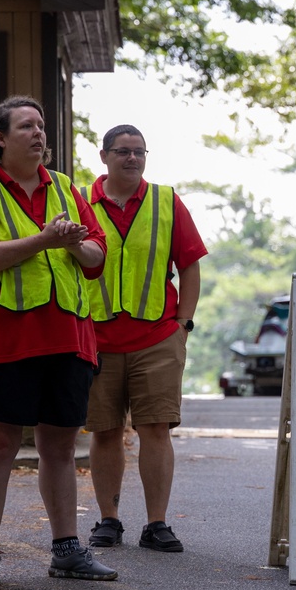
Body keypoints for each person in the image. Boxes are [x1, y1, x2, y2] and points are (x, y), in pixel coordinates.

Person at [0, 95, 117, 586]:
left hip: (67, 339)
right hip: (1, 341)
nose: (39, 133)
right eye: (26, 126)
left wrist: (73, 242)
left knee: (61, 448)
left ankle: (67, 550)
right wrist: (44, 240)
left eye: (42, 125)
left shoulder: (67, 189)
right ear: (1, 138)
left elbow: (96, 256)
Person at [81, 124, 207, 553]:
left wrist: (183, 324)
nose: (132, 159)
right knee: (104, 431)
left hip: (157, 336)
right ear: (104, 157)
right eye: (122, 152)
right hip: (95, 337)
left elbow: (190, 266)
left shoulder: (167, 201)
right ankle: (108, 520)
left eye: (139, 152)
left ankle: (157, 524)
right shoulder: (80, 203)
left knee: (156, 429)